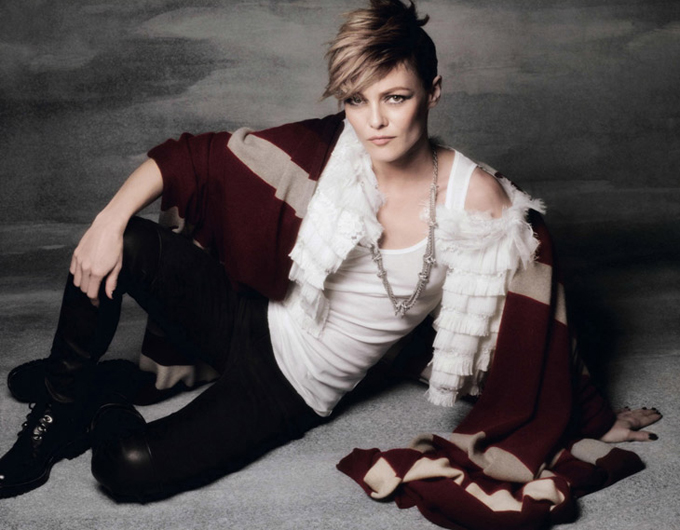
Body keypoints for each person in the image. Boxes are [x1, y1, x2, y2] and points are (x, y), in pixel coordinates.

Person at [0, 0, 661, 522]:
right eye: (356, 99)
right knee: (124, 242)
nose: (375, 122)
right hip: (244, 315)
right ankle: (58, 412)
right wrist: (105, 223)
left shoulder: (477, 201)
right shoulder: (334, 149)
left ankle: (96, 406)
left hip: (286, 390)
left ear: (433, 91)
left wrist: (592, 413)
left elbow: (536, 319)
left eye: (395, 97)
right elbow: (190, 157)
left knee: (124, 467)